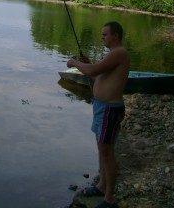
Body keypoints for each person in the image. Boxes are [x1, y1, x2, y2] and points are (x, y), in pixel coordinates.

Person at [67, 21, 130, 208]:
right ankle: (102, 185)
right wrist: (86, 67)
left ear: (115, 36)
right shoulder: (111, 55)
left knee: (107, 153)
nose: (102, 37)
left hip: (110, 110)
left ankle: (109, 199)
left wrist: (75, 63)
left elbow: (93, 70)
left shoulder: (119, 53)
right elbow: (96, 76)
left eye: (105, 35)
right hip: (101, 107)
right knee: (102, 150)